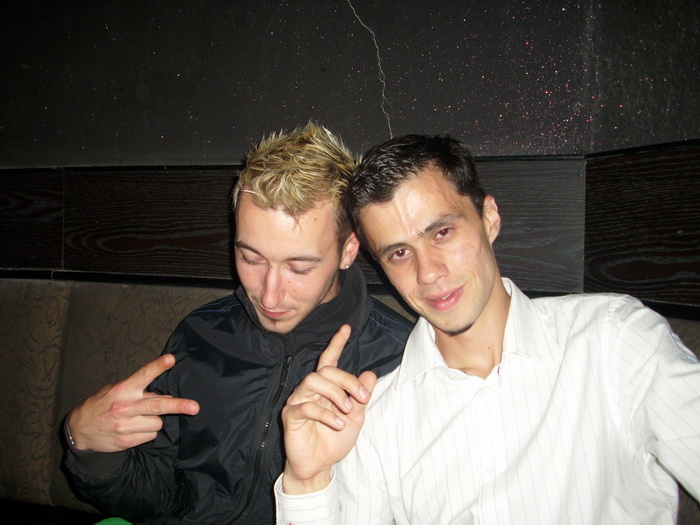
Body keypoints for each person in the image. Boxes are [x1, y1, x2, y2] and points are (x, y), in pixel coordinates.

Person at [275, 133, 700, 524]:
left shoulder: (613, 340)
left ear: (489, 218)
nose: (428, 272)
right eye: (399, 253)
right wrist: (307, 479)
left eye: (442, 232)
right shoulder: (375, 419)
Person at [62, 122, 413, 524]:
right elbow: (157, 497)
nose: (269, 295)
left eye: (299, 268)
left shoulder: (399, 362)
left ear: (348, 249)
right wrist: (88, 446)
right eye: (251, 258)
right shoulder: (201, 334)